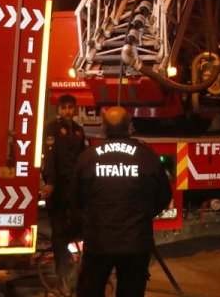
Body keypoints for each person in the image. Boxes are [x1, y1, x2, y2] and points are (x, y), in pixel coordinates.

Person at [72, 106, 172, 297]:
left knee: (90, 291)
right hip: (135, 242)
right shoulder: (146, 156)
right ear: (130, 128)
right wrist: (142, 215)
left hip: (98, 242)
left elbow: (75, 198)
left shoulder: (87, 157)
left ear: (103, 128)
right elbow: (164, 195)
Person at [41, 94, 88, 288]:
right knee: (59, 230)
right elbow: (50, 158)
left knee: (79, 224)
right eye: (64, 108)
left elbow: (82, 158)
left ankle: (72, 264)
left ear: (75, 109)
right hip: (58, 186)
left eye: (71, 107)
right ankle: (63, 274)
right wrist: (50, 183)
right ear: (59, 109)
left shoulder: (79, 131)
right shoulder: (52, 129)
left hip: (74, 186)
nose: (68, 111)